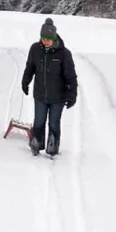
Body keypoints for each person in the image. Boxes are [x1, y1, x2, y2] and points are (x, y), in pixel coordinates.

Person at [21, 18, 78, 157]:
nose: (45, 41)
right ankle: (37, 142)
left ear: (54, 38)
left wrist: (72, 95)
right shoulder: (35, 49)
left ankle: (52, 146)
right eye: (43, 38)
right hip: (40, 94)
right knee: (39, 119)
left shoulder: (64, 54)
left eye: (48, 39)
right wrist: (25, 81)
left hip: (58, 97)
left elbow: (71, 76)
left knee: (54, 122)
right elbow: (30, 67)